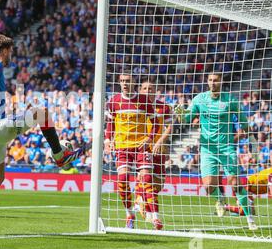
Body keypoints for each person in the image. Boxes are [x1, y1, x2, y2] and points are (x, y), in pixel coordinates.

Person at [0, 34, 83, 236]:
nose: (11, 55)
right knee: (42, 113)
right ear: (3, 51)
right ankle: (59, 155)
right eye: (10, 51)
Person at [176, 72, 258, 230]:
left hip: (227, 148)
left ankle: (250, 218)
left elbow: (243, 122)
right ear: (207, 82)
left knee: (234, 183)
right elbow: (186, 119)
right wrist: (180, 112)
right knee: (207, 186)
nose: (213, 83)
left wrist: (252, 142)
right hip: (207, 149)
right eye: (210, 80)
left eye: (216, 80)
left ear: (221, 82)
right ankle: (220, 199)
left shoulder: (230, 100)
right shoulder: (200, 99)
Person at [104, 71, 161, 230]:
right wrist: (108, 140)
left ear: (134, 82)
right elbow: (110, 124)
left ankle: (155, 217)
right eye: (122, 80)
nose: (124, 83)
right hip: (122, 147)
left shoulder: (144, 100)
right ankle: (130, 214)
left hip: (141, 146)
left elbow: (155, 123)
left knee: (147, 179)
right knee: (122, 179)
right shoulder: (114, 101)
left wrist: (149, 139)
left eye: (128, 80)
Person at [135, 78, 174, 224]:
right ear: (140, 90)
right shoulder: (136, 106)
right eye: (145, 88)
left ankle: (139, 198)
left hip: (159, 148)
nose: (148, 91)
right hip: (143, 148)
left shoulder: (164, 107)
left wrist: (160, 142)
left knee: (158, 185)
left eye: (151, 88)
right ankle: (152, 213)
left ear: (156, 91)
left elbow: (169, 127)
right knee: (147, 178)